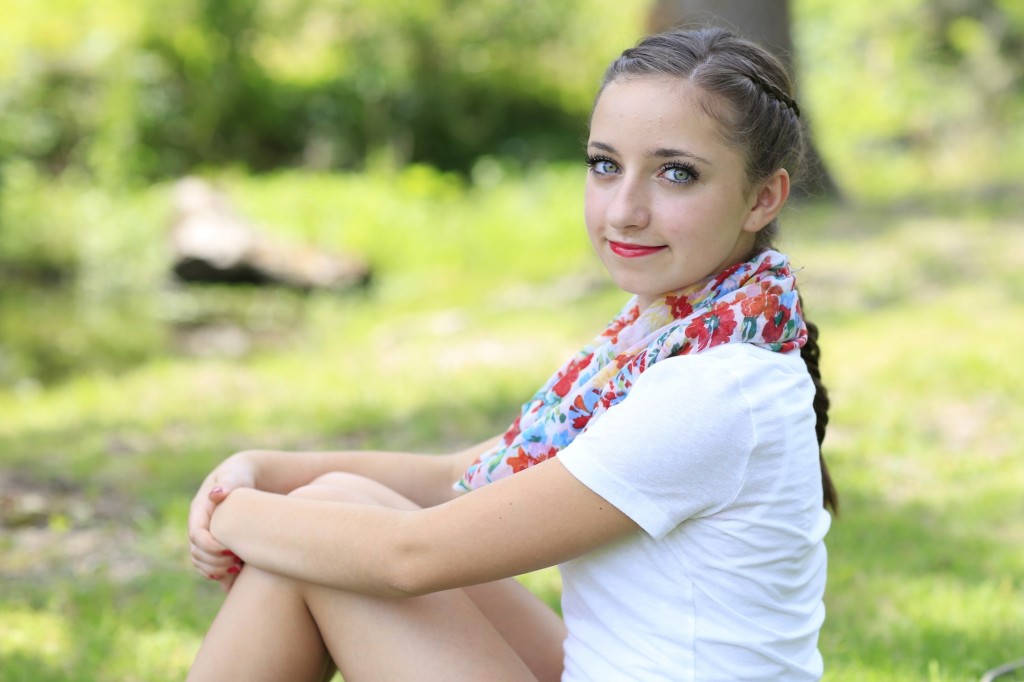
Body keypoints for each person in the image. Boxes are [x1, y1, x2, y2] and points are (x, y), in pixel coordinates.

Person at [186, 26, 838, 682]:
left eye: (676, 173)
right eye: (606, 165)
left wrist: (231, 514)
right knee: (330, 510)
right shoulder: (669, 341)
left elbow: (411, 557)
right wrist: (259, 471)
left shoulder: (711, 389)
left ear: (763, 197)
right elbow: (459, 478)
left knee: (318, 545)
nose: (624, 210)